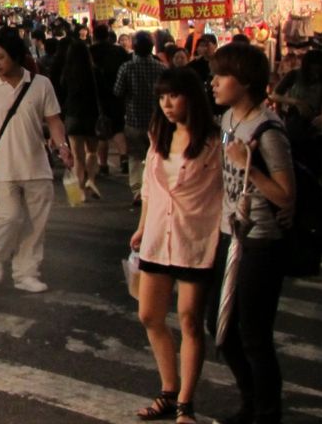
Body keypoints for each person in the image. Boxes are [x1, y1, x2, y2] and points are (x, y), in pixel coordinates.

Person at [207, 43, 296, 424]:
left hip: (261, 240)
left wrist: (249, 167)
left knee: (254, 333)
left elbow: (285, 196)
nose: (213, 82)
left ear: (243, 82)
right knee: (219, 325)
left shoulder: (268, 129)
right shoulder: (228, 120)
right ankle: (250, 398)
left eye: (221, 75)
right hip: (231, 235)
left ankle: (265, 412)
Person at [130, 69, 223, 424]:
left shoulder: (214, 142)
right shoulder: (160, 136)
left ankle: (186, 402)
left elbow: (226, 191)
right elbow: (150, 187)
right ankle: (168, 390)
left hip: (194, 239)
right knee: (149, 315)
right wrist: (140, 228)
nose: (167, 105)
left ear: (191, 97)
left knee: (189, 320)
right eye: (162, 98)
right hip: (157, 238)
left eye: (174, 96)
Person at [0, 30, 71, 293]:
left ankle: (26, 272)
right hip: (2, 166)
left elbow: (54, 120)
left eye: (1, 57)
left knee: (36, 224)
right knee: (9, 215)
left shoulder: (41, 85)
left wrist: (63, 147)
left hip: (37, 164)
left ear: (16, 57)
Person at [115, 32, 164, 206]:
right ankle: (155, 189)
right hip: (156, 121)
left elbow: (118, 92)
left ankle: (138, 191)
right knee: (156, 156)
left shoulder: (127, 68)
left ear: (134, 47)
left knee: (136, 157)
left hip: (134, 120)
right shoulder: (161, 68)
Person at [269, 48, 322, 178]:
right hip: (296, 127)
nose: (315, 73)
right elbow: (274, 95)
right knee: (296, 165)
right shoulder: (294, 75)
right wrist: (296, 102)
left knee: (316, 166)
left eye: (318, 70)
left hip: (318, 128)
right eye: (312, 69)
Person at [61, 38, 102, 199]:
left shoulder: (67, 73)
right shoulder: (95, 71)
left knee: (78, 157)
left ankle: (79, 191)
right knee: (92, 152)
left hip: (73, 116)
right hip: (92, 116)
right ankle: (91, 180)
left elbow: (62, 93)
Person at [90, 24, 129, 178]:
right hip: (117, 95)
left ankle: (103, 164)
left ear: (94, 36)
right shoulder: (119, 51)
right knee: (118, 128)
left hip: (98, 97)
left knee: (102, 132)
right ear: (108, 36)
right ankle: (124, 157)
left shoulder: (91, 52)